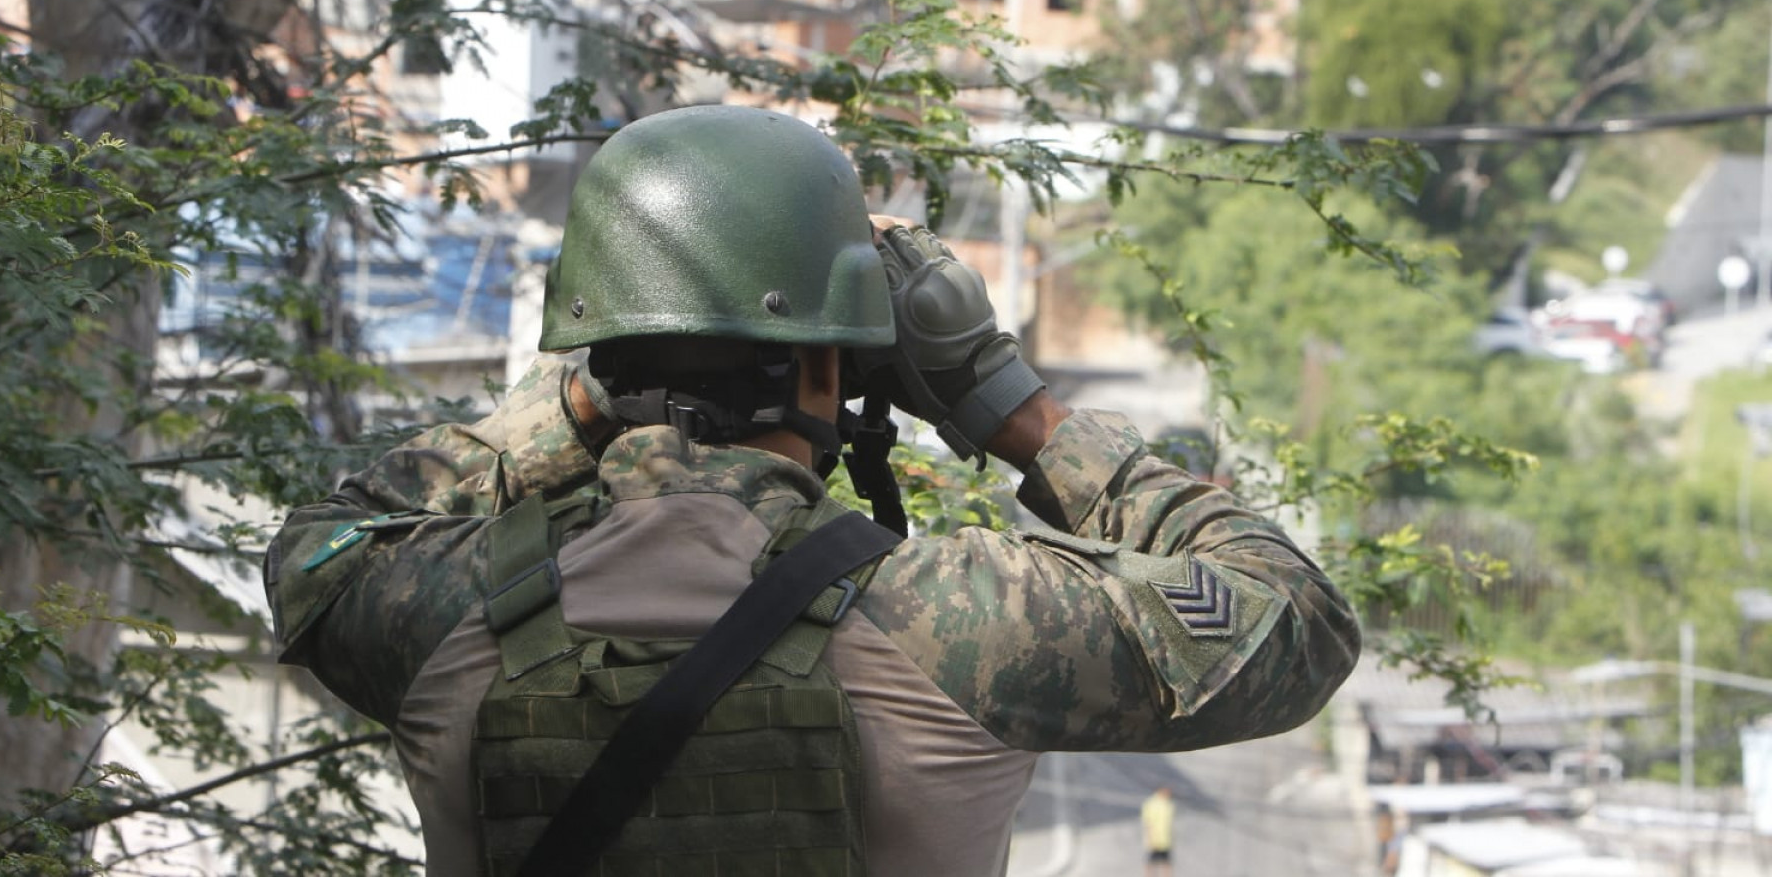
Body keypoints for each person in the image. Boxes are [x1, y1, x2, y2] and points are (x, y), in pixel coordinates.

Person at [265, 104, 1362, 876]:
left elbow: (314, 550)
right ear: (834, 366)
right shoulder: (966, 622)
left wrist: (579, 400)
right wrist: (1004, 401)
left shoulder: (443, 610)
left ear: (599, 344)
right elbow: (1297, 618)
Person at [1140, 785, 1176, 877]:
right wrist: (1150, 838)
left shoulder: (1169, 804)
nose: (1169, 793)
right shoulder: (1151, 803)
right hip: (1154, 838)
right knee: (1151, 862)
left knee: (1166, 862)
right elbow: (1148, 822)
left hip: (1166, 839)